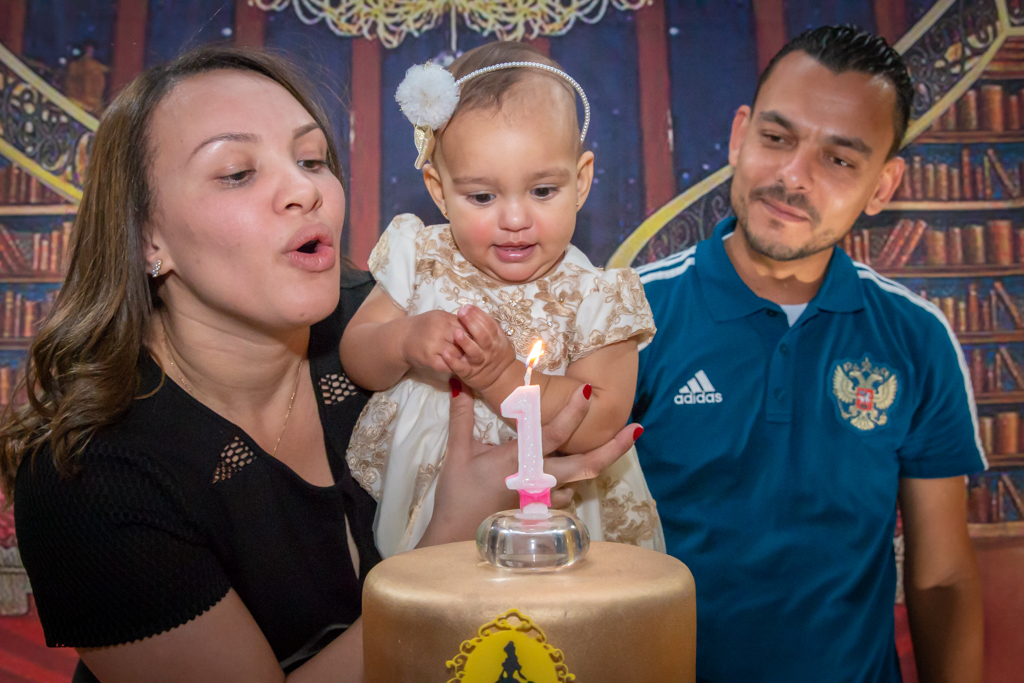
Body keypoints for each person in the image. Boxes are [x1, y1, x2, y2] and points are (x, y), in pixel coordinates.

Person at [0, 46, 641, 683]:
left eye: (311, 160)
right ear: (146, 235)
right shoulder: (89, 474)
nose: (305, 190)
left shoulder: (406, 322)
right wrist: (447, 545)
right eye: (237, 172)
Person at [633, 26, 984, 682]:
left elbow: (940, 578)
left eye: (839, 159)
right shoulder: (630, 317)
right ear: (740, 135)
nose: (792, 176)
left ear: (883, 186)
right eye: (776, 137)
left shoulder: (916, 337)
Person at [341, 42, 662, 557]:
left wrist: (499, 377)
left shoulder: (596, 295)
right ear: (439, 190)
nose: (515, 219)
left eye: (543, 191)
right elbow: (357, 355)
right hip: (435, 506)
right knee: (432, 600)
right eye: (483, 197)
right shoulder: (421, 257)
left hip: (558, 514)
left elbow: (599, 420)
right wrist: (403, 339)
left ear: (580, 181)